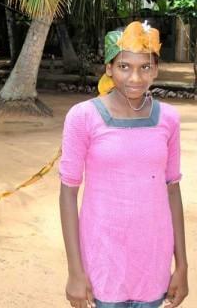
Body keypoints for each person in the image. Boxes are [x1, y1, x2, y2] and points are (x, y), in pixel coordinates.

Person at [59, 21, 188, 308]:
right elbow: (67, 193)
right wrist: (75, 272)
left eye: (145, 67)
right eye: (124, 66)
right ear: (109, 68)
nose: (135, 78)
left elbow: (172, 190)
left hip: (152, 259)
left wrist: (182, 266)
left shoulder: (168, 119)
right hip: (103, 259)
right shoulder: (83, 118)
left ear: (155, 69)